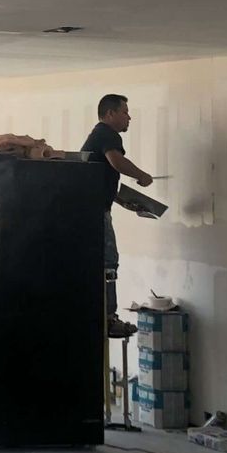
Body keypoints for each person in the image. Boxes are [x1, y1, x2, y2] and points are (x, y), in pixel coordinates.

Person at [80, 93, 154, 334]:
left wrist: (125, 201)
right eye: (124, 112)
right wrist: (141, 175)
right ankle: (108, 318)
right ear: (110, 114)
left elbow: (100, 178)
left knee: (100, 261)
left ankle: (99, 313)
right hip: (94, 213)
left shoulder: (98, 135)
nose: (129, 117)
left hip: (89, 209)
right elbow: (116, 161)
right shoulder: (106, 134)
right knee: (108, 261)